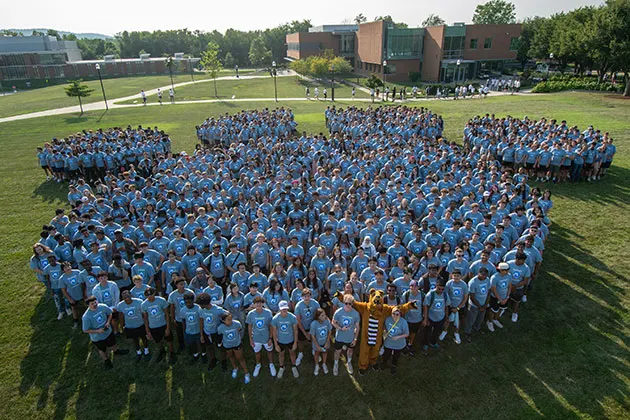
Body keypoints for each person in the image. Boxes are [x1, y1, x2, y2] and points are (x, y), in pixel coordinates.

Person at [82, 296, 129, 369]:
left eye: (95, 302)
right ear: (88, 305)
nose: (94, 304)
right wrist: (97, 331)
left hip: (108, 332)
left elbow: (110, 313)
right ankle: (106, 360)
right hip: (97, 338)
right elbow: (85, 330)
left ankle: (116, 351)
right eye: (92, 303)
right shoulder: (86, 317)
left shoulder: (102, 306)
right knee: (102, 349)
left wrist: (108, 322)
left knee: (113, 343)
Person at [141, 287, 175, 364]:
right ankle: (162, 351)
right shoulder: (144, 304)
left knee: (169, 340)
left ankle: (172, 353)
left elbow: (167, 314)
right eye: (147, 296)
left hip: (163, 324)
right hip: (153, 326)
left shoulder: (161, 300)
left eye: (151, 295)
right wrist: (147, 331)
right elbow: (145, 318)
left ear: (154, 294)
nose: (150, 297)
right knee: (157, 341)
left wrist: (168, 328)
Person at [246, 295, 276, 377]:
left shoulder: (268, 313)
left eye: (260, 303)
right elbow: (249, 326)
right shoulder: (251, 314)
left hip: (266, 337)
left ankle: (271, 364)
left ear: (263, 304)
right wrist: (251, 339)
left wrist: (270, 338)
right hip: (256, 337)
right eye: (256, 303)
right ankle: (258, 364)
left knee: (269, 351)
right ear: (254, 304)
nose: (258, 305)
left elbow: (271, 326)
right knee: (257, 352)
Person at [216, 312, 250, 383]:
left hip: (237, 344)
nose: (230, 321)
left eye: (231, 318)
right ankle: (235, 368)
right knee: (231, 356)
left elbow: (239, 329)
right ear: (223, 321)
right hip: (227, 345)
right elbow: (220, 335)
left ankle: (246, 373)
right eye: (228, 319)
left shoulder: (237, 323)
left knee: (240, 358)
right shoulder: (220, 328)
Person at [331, 294, 360, 376]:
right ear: (343, 302)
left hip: (350, 338)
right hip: (339, 337)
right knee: (337, 351)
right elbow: (333, 322)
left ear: (352, 304)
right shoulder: (338, 312)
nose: (348, 305)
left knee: (350, 351)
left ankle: (349, 362)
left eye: (350, 303)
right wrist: (340, 328)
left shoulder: (355, 314)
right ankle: (336, 364)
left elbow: (358, 327)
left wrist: (355, 339)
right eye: (346, 303)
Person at [117, 290, 150, 361]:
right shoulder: (120, 305)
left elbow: (144, 314)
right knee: (135, 340)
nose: (126, 298)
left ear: (131, 296)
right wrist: (122, 326)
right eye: (124, 297)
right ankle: (138, 352)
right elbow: (121, 316)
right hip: (130, 326)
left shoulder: (139, 302)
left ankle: (146, 351)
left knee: (144, 338)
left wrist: (146, 324)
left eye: (128, 296)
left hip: (140, 324)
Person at [271, 300, 299, 379]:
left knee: (292, 353)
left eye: (286, 309)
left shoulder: (292, 317)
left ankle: (294, 366)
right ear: (279, 309)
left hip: (290, 340)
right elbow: (274, 332)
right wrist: (276, 344)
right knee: (281, 354)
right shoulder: (275, 319)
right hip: (280, 341)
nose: (285, 311)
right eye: (283, 309)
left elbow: (295, 330)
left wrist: (295, 343)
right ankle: (281, 367)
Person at [422, 277, 450, 355]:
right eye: (439, 288)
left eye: (442, 289)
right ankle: (425, 345)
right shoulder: (430, 294)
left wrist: (446, 318)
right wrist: (425, 318)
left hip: (440, 317)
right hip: (431, 317)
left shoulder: (445, 295)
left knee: (437, 331)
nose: (440, 291)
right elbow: (425, 306)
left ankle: (433, 342)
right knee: (427, 332)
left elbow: (446, 306)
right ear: (436, 286)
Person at [440, 269, 469, 344]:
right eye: (455, 276)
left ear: (461, 276)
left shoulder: (464, 284)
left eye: (458, 276)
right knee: (447, 320)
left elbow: (465, 297)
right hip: (450, 306)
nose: (456, 277)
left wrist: (458, 308)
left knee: (458, 321)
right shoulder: (449, 283)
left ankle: (456, 333)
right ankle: (445, 331)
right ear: (452, 276)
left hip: (460, 307)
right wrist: (450, 306)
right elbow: (446, 295)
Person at [294, 287, 321, 366]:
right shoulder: (298, 306)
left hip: (313, 325)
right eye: (305, 296)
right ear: (302, 297)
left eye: (308, 296)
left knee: (314, 339)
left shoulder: (315, 303)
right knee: (301, 341)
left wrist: (313, 329)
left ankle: (314, 350)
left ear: (311, 296)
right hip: (302, 326)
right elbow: (298, 320)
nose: (307, 298)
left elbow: (318, 314)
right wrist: (305, 333)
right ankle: (300, 353)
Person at [465, 267, 491, 342]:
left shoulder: (487, 280)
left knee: (480, 318)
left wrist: (485, 305)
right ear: (478, 273)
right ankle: (468, 332)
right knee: (471, 319)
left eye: (485, 275)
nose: (484, 277)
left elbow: (488, 292)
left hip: (484, 304)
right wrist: (480, 306)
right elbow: (472, 296)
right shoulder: (473, 282)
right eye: (482, 275)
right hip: (474, 305)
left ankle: (477, 328)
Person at [381, 306, 409, 375]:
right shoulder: (388, 319)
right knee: (386, 354)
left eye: (397, 314)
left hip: (399, 344)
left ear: (400, 314)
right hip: (388, 342)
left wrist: (398, 337)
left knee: (396, 356)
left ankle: (393, 366)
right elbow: (384, 325)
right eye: (393, 313)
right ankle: (384, 363)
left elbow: (407, 334)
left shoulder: (403, 322)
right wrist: (384, 331)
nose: (395, 316)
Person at [488, 262, 512, 331]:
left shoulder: (509, 275)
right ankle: (490, 321)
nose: (507, 271)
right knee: (493, 310)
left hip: (505, 297)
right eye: (506, 270)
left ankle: (495, 319)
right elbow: (493, 289)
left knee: (501, 309)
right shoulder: (494, 277)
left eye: (508, 270)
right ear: (501, 270)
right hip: (495, 297)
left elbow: (510, 286)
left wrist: (507, 297)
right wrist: (500, 299)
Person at [309, 308, 332, 376]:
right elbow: (312, 335)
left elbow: (329, 331)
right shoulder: (314, 324)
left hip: (325, 342)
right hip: (317, 343)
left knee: (325, 352)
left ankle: (324, 364)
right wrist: (317, 345)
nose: (324, 316)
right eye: (322, 315)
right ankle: (317, 365)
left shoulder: (327, 321)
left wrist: (327, 341)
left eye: (324, 315)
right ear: (317, 317)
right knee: (317, 353)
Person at [181, 292, 202, 364]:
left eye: (190, 302)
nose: (188, 304)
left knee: (200, 343)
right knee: (192, 344)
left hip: (198, 330)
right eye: (186, 302)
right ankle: (195, 355)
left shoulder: (198, 308)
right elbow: (183, 321)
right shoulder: (183, 310)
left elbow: (201, 319)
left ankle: (203, 354)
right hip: (189, 331)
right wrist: (184, 331)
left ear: (193, 301)